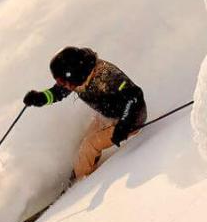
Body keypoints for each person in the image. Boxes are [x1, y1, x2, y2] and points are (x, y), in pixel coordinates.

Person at [24, 46, 147, 181]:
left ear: (73, 73)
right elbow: (58, 92)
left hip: (131, 119)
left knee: (90, 144)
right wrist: (40, 98)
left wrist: (123, 125)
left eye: (62, 81)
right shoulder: (77, 77)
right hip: (108, 116)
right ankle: (78, 172)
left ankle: (81, 184)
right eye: (59, 81)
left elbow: (134, 95)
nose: (61, 85)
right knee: (82, 142)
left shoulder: (106, 76)